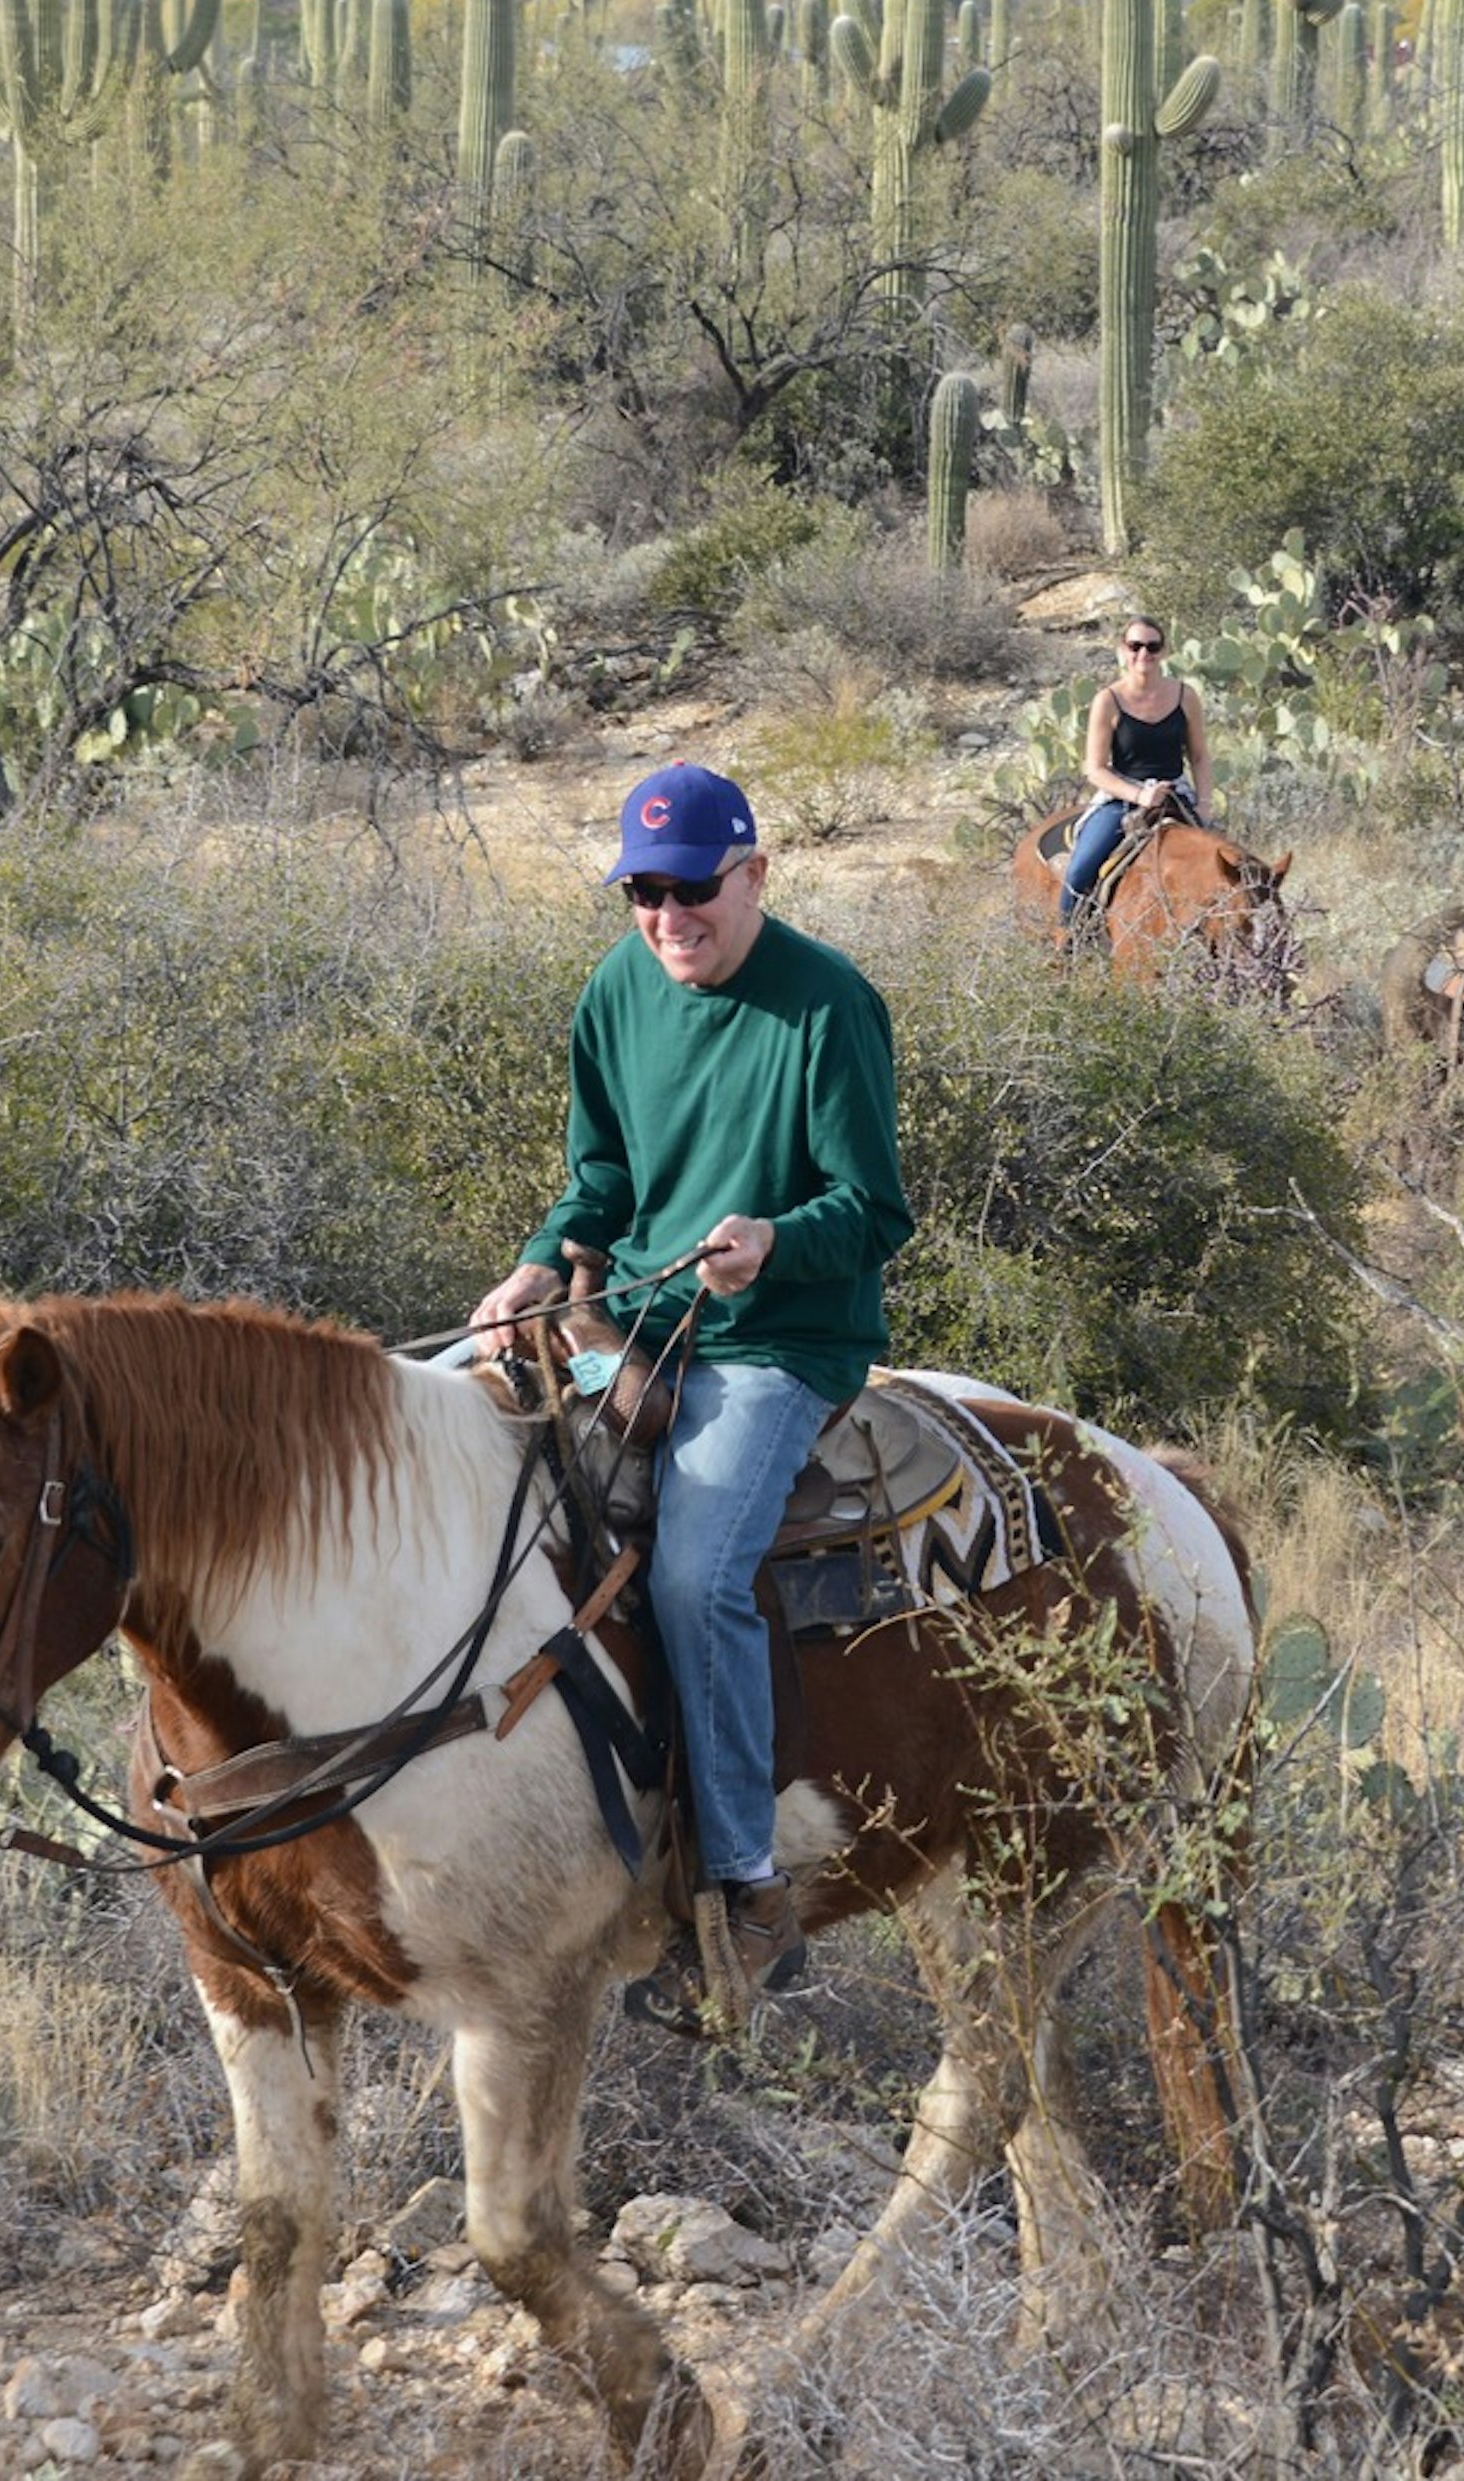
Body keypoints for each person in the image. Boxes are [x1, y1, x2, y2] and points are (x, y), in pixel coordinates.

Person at [470, 763, 916, 2022]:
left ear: (754, 874)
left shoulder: (829, 1006)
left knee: (692, 1572)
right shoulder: (619, 987)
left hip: (780, 1340)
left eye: (693, 889)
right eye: (645, 892)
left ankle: (743, 1885)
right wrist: (539, 1259)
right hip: (637, 1324)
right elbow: (598, 1175)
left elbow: (876, 1209)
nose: (669, 916)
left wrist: (772, 1238)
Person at [1058, 617, 1211, 935]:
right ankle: (1067, 947)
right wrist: (1140, 796)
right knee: (1079, 872)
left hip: (1175, 795)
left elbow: (1198, 755)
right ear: (1123, 650)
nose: (1144, 654)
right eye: (1135, 646)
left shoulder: (1185, 697)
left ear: (1164, 651)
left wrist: (1205, 804)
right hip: (1123, 798)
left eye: (1153, 646)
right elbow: (1095, 769)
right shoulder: (1108, 701)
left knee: (1226, 866)